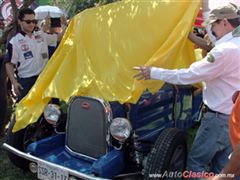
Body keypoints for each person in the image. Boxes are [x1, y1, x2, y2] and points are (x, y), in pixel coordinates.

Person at [133, 3, 240, 175]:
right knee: (222, 167)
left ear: (225, 22)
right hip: (232, 117)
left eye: (213, 25)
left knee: (196, 163)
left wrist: (153, 72)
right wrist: (204, 4)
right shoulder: (235, 40)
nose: (211, 29)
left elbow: (189, 75)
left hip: (218, 120)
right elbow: (214, 38)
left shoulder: (224, 51)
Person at [5, 8, 58, 101]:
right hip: (26, 82)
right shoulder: (14, 42)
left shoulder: (41, 35)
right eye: (28, 22)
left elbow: (59, 38)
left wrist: (68, 24)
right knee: (28, 113)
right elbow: (9, 64)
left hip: (44, 79)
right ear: (19, 21)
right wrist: (14, 82)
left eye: (34, 21)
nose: (32, 24)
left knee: (51, 110)